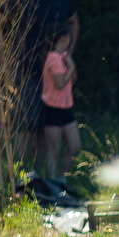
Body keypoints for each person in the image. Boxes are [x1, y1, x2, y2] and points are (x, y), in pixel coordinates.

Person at [7, 0, 79, 159]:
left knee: (46, 125)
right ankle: (21, 173)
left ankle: (40, 178)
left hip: (53, 74)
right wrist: (2, 58)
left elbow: (74, 23)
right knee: (23, 123)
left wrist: (68, 55)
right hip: (25, 70)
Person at [39, 30, 80, 179]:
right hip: (53, 108)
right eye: (69, 37)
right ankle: (51, 182)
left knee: (75, 146)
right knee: (54, 149)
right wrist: (70, 68)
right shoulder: (53, 58)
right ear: (63, 38)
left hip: (66, 107)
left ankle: (61, 179)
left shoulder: (64, 57)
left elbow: (72, 80)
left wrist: (71, 67)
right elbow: (60, 83)